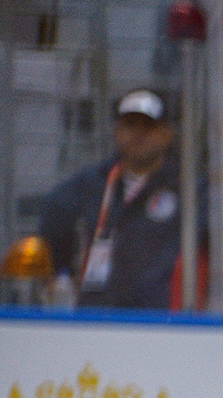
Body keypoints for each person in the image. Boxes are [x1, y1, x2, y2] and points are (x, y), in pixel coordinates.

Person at [37, 90, 196, 311]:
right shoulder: (95, 181)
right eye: (130, 125)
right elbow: (55, 210)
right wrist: (60, 270)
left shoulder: (188, 188)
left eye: (148, 127)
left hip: (159, 322)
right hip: (97, 317)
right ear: (117, 131)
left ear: (166, 135)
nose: (138, 134)